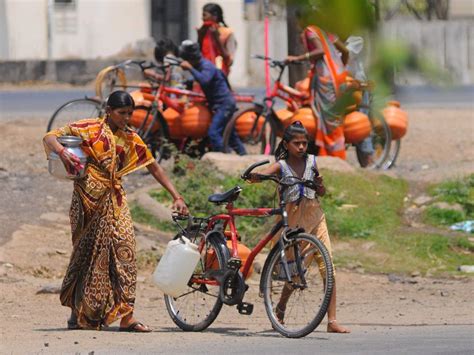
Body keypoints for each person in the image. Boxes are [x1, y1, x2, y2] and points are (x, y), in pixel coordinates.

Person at [43, 91, 189, 332]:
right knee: (87, 256)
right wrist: (63, 152)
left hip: (115, 199)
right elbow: (50, 137)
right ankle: (78, 313)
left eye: (130, 114)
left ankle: (126, 316)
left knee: (126, 251)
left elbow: (153, 166)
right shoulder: (87, 128)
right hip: (86, 201)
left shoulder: (130, 138)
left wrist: (176, 196)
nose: (127, 118)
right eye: (122, 113)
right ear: (108, 110)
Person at [250, 121, 350, 333]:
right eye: (297, 143)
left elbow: (321, 192)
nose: (302, 147)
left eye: (304, 143)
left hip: (316, 219)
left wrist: (320, 185)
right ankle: (281, 307)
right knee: (295, 273)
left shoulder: (312, 162)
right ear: (287, 145)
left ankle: (331, 321)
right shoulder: (281, 166)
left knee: (328, 269)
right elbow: (264, 174)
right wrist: (255, 177)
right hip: (293, 224)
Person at [286, 22, 350, 160]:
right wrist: (339, 69)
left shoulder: (310, 31)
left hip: (325, 81)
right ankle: (333, 155)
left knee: (328, 119)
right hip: (338, 79)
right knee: (332, 118)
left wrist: (298, 58)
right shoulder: (325, 31)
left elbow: (320, 51)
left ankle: (332, 156)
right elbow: (345, 51)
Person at [179, 39, 246, 155]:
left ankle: (224, 160)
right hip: (219, 105)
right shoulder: (200, 66)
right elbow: (198, 79)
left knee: (214, 133)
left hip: (224, 104)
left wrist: (190, 68)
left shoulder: (206, 65)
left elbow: (204, 80)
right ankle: (244, 157)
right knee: (231, 135)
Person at [197, 2, 237, 77]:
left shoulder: (227, 33)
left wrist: (216, 38)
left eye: (204, 15)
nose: (202, 18)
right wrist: (200, 36)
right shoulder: (203, 31)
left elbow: (229, 59)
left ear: (215, 16)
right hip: (204, 71)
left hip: (219, 72)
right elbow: (199, 53)